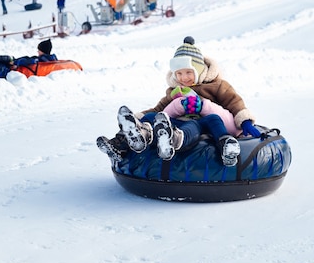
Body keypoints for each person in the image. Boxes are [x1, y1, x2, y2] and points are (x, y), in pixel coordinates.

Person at [96, 36, 260, 167]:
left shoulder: (217, 86)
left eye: (188, 72)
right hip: (173, 122)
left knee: (198, 124)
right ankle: (124, 141)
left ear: (199, 70)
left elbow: (234, 102)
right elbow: (159, 108)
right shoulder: (175, 91)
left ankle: (175, 139)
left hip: (201, 124)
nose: (183, 78)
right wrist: (138, 117)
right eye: (179, 73)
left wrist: (244, 121)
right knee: (153, 116)